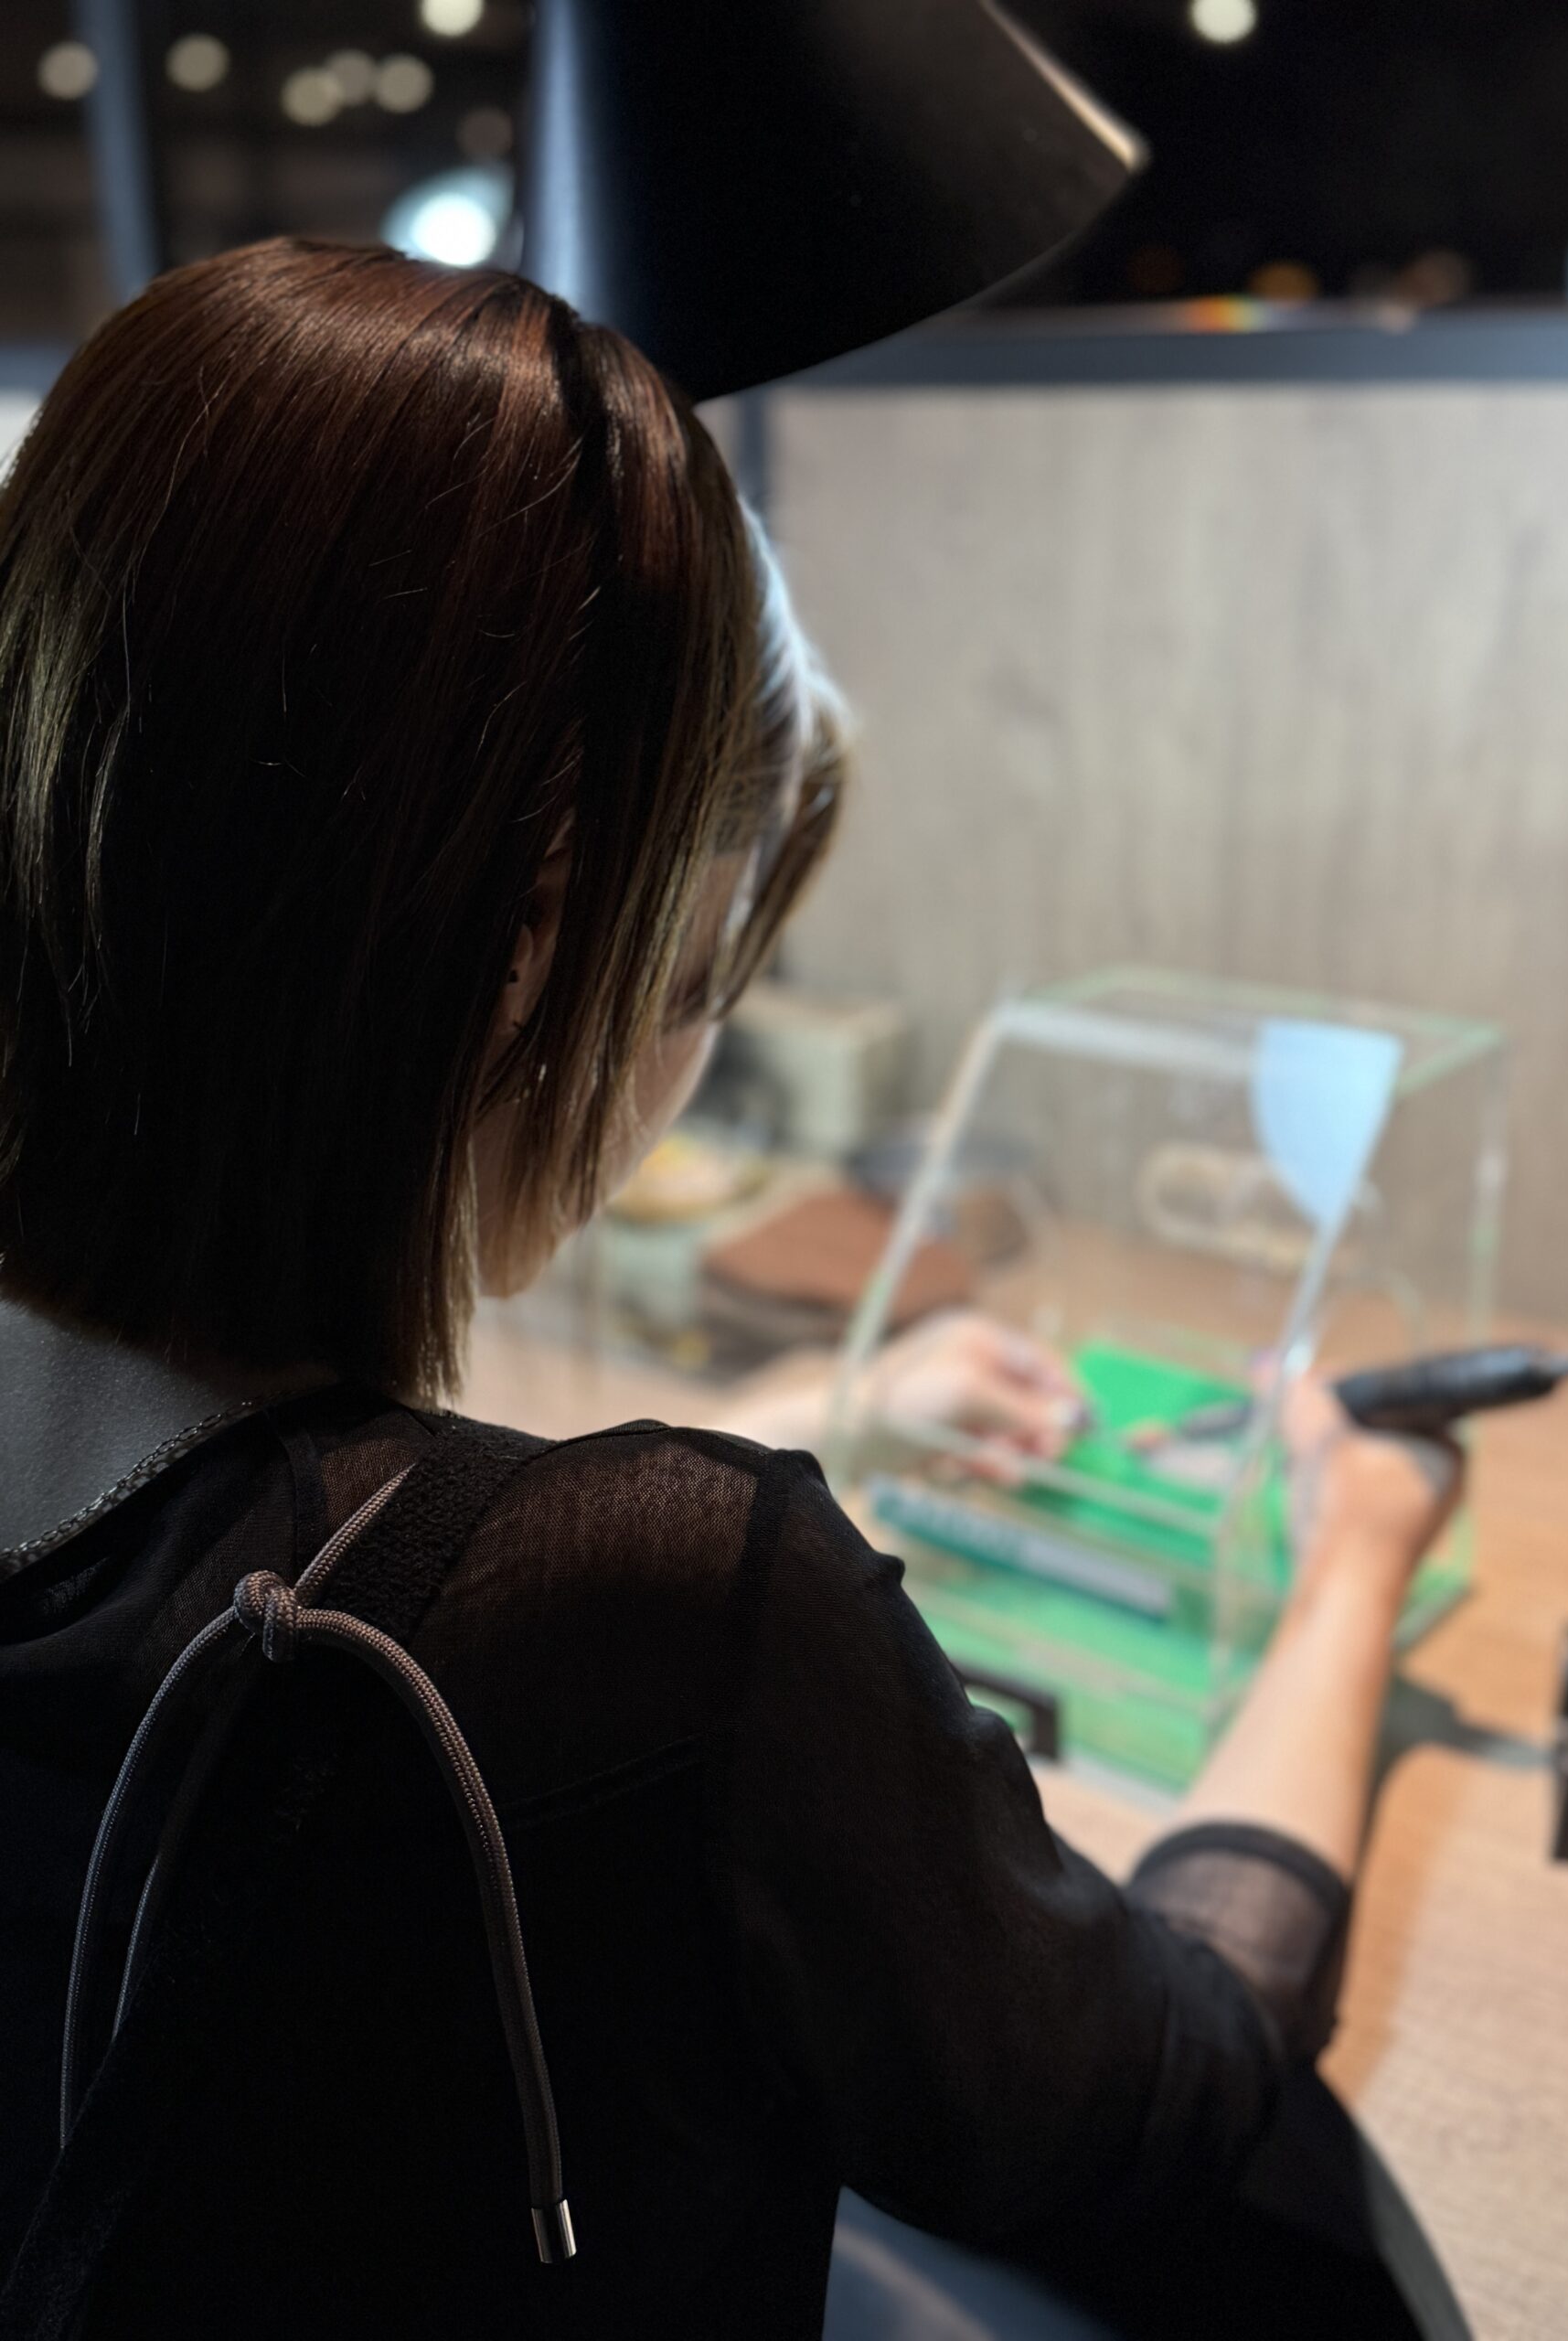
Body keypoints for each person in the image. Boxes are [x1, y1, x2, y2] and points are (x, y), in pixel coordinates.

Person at [0, 240, 1461, 2339]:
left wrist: (824, 1415)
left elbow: (271, 1525)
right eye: (690, 977)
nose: (679, 1058)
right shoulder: (685, 1610)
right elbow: (1153, 2084)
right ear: (531, 945)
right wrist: (1354, 1562)